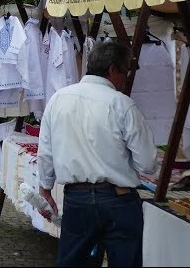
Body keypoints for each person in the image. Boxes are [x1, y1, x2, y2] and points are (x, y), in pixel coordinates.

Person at [37, 41, 157, 268]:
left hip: (77, 198)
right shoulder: (122, 105)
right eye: (125, 72)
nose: (125, 80)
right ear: (113, 70)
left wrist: (44, 188)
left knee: (72, 262)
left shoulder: (58, 100)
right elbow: (148, 164)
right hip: (118, 201)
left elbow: (46, 152)